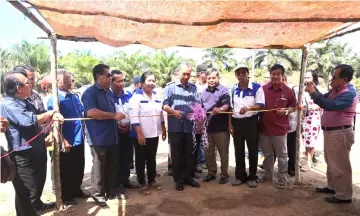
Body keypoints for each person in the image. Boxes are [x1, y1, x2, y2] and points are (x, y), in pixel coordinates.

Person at [1, 70, 63, 216]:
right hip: (23, 156)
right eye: (28, 83)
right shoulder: (9, 105)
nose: (31, 85)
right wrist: (51, 113)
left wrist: (51, 117)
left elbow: (40, 117)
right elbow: (29, 121)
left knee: (36, 188)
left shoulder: (26, 102)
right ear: (19, 88)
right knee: (28, 194)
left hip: (37, 151)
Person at [306, 64, 358, 204]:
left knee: (340, 165)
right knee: (331, 162)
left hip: (340, 132)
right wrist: (314, 89)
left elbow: (329, 105)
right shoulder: (336, 89)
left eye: (335, 77)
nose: (332, 79)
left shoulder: (349, 93)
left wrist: (312, 92)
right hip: (332, 132)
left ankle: (344, 195)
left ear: (345, 79)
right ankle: (333, 187)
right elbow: (323, 98)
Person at [81, 64, 126, 207]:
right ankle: (98, 194)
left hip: (112, 135)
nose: (110, 78)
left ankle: (111, 190)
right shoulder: (90, 93)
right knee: (99, 166)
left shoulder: (108, 93)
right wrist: (114, 116)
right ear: (98, 77)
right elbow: (91, 112)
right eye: (108, 75)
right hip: (98, 137)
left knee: (112, 165)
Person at [12, 65, 55, 210]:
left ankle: (37, 204)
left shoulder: (34, 96)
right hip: (25, 149)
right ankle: (31, 208)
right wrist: (51, 114)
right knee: (26, 188)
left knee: (39, 180)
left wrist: (49, 133)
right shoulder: (12, 102)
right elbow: (30, 120)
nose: (32, 82)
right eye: (29, 80)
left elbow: (44, 116)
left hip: (40, 144)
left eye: (33, 79)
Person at [47, 69, 89, 205]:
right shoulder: (55, 100)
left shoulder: (74, 96)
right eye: (65, 79)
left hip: (79, 138)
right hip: (66, 140)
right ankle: (66, 195)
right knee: (65, 169)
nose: (69, 82)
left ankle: (76, 189)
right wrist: (63, 139)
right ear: (56, 81)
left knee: (78, 166)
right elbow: (52, 123)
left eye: (70, 79)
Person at [162, 62, 200, 191]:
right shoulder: (170, 88)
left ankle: (188, 177)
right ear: (179, 72)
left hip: (189, 127)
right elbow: (165, 105)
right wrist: (173, 112)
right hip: (176, 127)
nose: (186, 76)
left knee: (189, 154)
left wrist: (197, 112)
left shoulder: (193, 88)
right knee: (177, 155)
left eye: (188, 74)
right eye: (184, 73)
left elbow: (197, 104)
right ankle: (178, 180)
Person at [129, 71, 167, 195]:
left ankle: (152, 180)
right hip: (141, 135)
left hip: (154, 134)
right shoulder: (136, 98)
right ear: (142, 83)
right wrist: (139, 133)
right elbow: (133, 117)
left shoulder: (156, 96)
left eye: (153, 81)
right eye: (149, 81)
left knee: (151, 158)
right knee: (140, 159)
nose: (151, 83)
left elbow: (160, 114)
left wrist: (163, 128)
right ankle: (141, 183)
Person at [259, 64, 296, 189]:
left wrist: (286, 111)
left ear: (283, 76)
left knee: (282, 155)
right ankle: (268, 175)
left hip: (280, 129)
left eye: (278, 74)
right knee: (268, 154)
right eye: (273, 74)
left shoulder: (288, 91)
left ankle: (282, 179)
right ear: (270, 75)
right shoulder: (262, 89)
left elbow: (293, 106)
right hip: (264, 128)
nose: (275, 76)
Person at [228, 66, 264, 188]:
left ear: (248, 74)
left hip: (251, 122)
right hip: (237, 123)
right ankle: (240, 176)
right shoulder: (233, 89)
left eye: (244, 73)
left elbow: (261, 105)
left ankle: (252, 177)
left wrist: (248, 108)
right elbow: (230, 109)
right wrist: (230, 124)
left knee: (253, 150)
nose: (241, 75)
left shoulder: (256, 87)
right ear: (236, 76)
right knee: (238, 151)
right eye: (238, 73)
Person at [110, 69, 139, 199]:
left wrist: (128, 125)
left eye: (122, 81)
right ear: (111, 82)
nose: (121, 84)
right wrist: (118, 126)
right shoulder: (108, 96)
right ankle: (117, 184)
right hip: (114, 133)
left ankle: (125, 179)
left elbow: (133, 112)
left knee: (127, 157)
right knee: (116, 159)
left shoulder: (128, 95)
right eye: (118, 81)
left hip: (128, 131)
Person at [201, 68, 231, 184]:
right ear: (206, 79)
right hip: (207, 128)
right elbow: (200, 107)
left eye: (214, 78)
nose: (211, 80)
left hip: (221, 128)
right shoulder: (203, 93)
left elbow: (227, 105)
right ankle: (211, 172)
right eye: (209, 78)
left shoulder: (224, 91)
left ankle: (224, 174)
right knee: (209, 152)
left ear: (218, 78)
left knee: (223, 152)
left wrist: (221, 109)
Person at [301, 70, 322, 172]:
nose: (306, 79)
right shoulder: (302, 89)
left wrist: (311, 107)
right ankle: (307, 160)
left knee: (311, 141)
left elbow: (322, 103)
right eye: (305, 77)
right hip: (305, 118)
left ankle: (309, 163)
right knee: (306, 140)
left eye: (308, 77)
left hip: (314, 118)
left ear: (314, 78)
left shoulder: (318, 89)